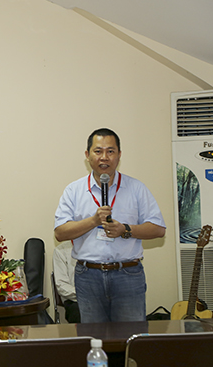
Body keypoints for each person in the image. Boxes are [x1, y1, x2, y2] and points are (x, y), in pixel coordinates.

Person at [54, 128, 165, 323]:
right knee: (94, 336)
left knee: (130, 335)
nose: (104, 157)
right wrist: (93, 221)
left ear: (119, 155)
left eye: (110, 151)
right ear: (87, 155)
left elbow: (158, 229)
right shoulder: (74, 190)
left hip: (128, 274)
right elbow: (60, 233)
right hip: (88, 276)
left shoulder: (136, 188)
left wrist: (126, 230)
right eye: (98, 151)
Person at [52, 241, 80, 323]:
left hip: (102, 299)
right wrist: (84, 295)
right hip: (74, 300)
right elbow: (62, 286)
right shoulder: (61, 250)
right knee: (78, 313)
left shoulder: (100, 247)